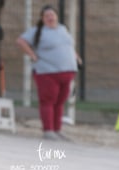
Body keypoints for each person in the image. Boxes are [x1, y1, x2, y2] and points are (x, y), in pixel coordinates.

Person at [16, 4, 80, 140]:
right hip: (47, 72)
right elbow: (21, 41)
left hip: (67, 71)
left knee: (60, 101)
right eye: (47, 16)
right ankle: (48, 130)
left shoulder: (63, 29)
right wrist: (33, 55)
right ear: (42, 18)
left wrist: (76, 57)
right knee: (48, 100)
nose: (50, 17)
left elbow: (68, 46)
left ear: (56, 16)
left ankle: (57, 129)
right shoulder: (37, 31)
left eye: (52, 15)